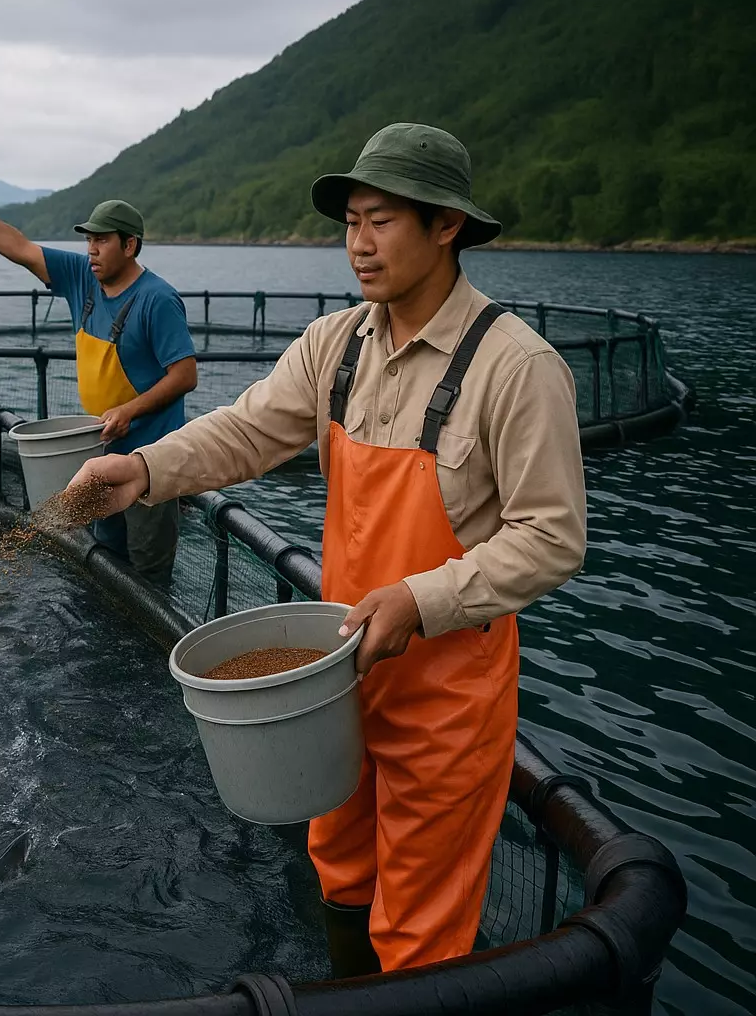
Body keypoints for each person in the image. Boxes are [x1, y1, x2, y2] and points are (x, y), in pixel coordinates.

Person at [67, 123, 587, 973]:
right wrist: (144, 467)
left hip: (446, 697)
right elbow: (245, 430)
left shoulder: (516, 368)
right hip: (336, 676)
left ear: (447, 224)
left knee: (420, 926)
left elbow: (552, 538)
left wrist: (420, 601)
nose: (359, 244)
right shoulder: (335, 344)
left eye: (381, 220)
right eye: (350, 223)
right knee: (339, 867)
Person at [0, 187, 197, 587]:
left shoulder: (157, 299)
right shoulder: (80, 279)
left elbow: (185, 375)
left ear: (130, 245)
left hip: (149, 461)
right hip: (97, 455)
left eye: (101, 240)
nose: (91, 250)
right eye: (88, 240)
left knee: (148, 574)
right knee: (103, 555)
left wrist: (129, 411)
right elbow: (17, 246)